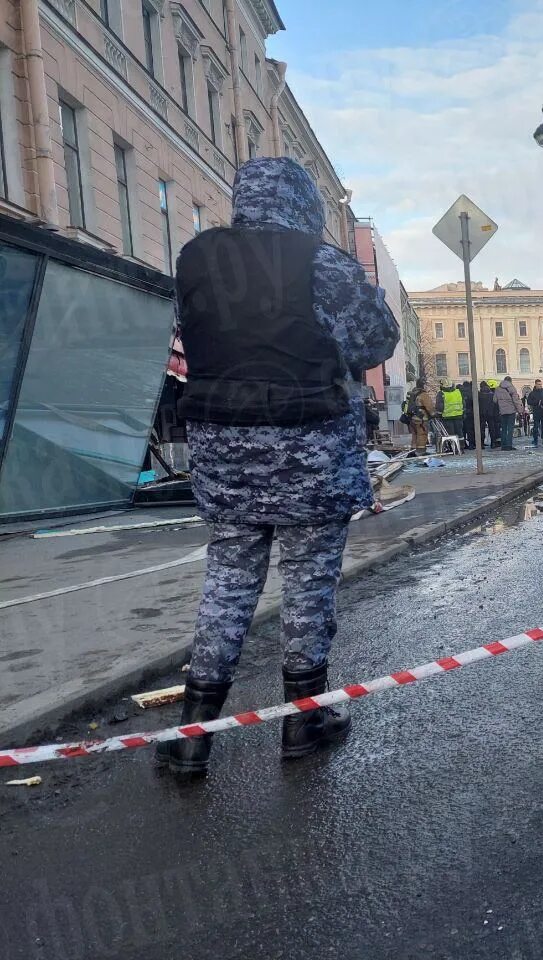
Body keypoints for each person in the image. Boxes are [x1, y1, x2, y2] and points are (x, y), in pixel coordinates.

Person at [161, 157, 399, 776]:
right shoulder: (319, 263)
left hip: (223, 450)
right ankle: (303, 721)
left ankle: (193, 737)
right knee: (308, 584)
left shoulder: (196, 258)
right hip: (309, 447)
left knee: (227, 583)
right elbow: (373, 341)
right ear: (302, 203)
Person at [495, 375, 521, 451]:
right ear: (510, 381)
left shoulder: (497, 389)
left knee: (503, 428)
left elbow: (494, 400)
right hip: (511, 411)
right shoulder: (512, 388)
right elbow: (516, 401)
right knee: (510, 428)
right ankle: (509, 445)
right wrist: (519, 410)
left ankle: (503, 445)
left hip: (502, 411)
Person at [437, 379, 464, 443]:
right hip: (458, 416)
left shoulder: (441, 393)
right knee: (459, 433)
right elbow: (463, 403)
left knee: (451, 434)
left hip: (447, 417)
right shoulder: (458, 392)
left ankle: (452, 448)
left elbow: (440, 406)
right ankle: (461, 447)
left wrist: (439, 415)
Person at [527, 378, 543, 447]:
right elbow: (529, 402)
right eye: (538, 384)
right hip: (536, 411)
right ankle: (535, 440)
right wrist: (537, 402)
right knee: (536, 427)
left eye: (541, 384)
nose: (540, 386)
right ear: (535, 384)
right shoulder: (532, 393)